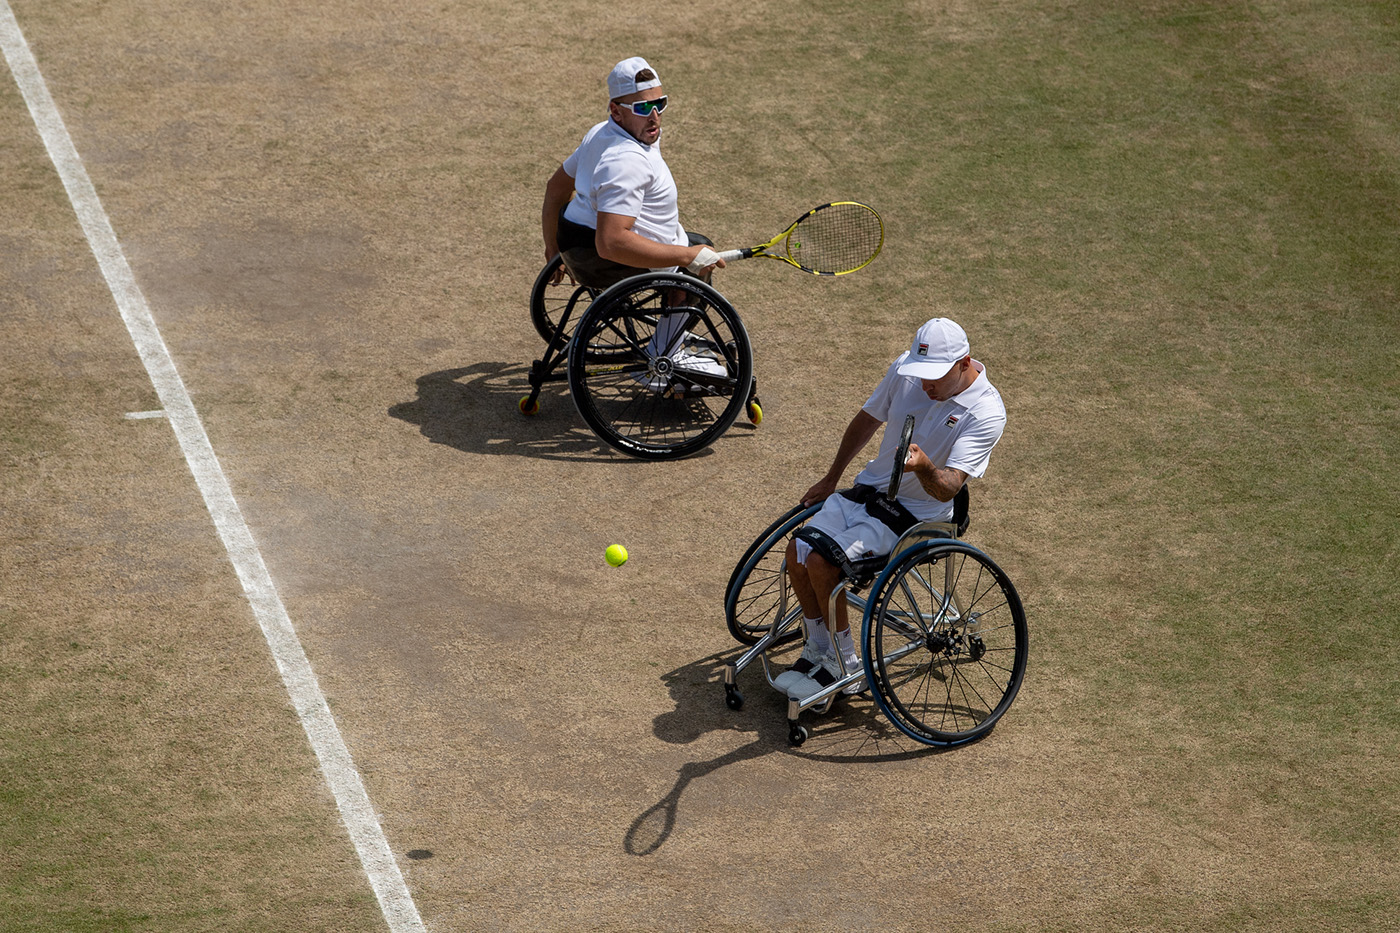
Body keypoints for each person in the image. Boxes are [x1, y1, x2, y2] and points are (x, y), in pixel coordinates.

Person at [775, 317, 1007, 702]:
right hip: (869, 493)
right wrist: (832, 478)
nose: (926, 384)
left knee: (821, 563)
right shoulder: (906, 370)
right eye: (922, 373)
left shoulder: (986, 412)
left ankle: (848, 665)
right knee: (797, 551)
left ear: (964, 364)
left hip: (917, 515)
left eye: (936, 375)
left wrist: (925, 467)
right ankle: (819, 648)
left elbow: (948, 487)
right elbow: (868, 419)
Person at [541, 56, 722, 291]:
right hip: (600, 259)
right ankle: (671, 329)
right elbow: (611, 243)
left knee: (696, 246)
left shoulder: (600, 132)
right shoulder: (626, 161)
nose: (655, 116)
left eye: (660, 103)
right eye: (643, 107)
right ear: (616, 111)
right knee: (697, 263)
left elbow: (556, 187)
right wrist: (686, 256)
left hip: (574, 242)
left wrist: (553, 246)